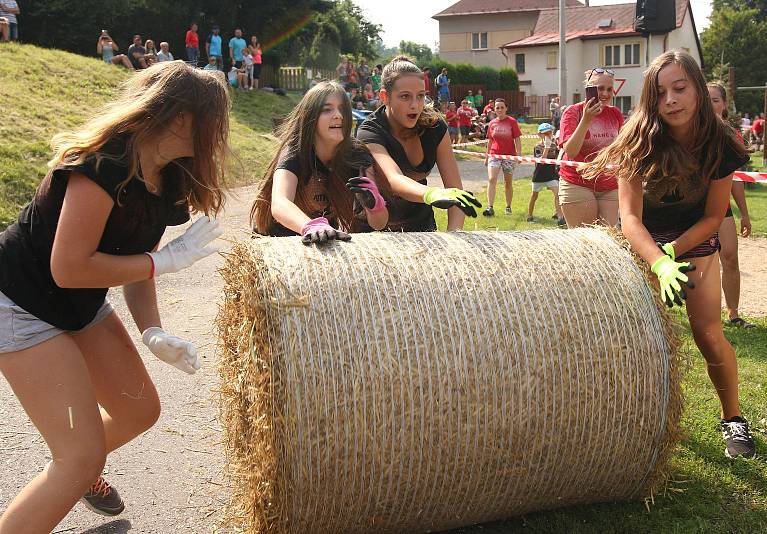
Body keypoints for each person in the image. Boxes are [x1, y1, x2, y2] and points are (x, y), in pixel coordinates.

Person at [0, 61, 231, 533]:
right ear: (184, 119)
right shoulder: (104, 164)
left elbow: (137, 262)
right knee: (81, 457)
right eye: (215, 121)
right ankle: (76, 468)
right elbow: (69, 268)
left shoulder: (167, 178)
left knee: (138, 409)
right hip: (18, 304)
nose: (219, 135)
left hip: (78, 305)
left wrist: (152, 330)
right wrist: (163, 262)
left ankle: (75, 470)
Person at [587, 49, 754, 459]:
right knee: (625, 338)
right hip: (643, 239)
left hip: (693, 237)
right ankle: (621, 419)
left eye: (680, 89)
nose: (670, 101)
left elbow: (715, 216)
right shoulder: (637, 138)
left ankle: (733, 419)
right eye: (660, 93)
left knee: (708, 333)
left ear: (698, 88)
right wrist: (658, 261)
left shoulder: (722, 142)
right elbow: (628, 217)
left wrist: (673, 253)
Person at [251, 81, 388, 241]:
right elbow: (280, 203)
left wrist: (375, 205)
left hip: (324, 243)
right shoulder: (295, 151)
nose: (338, 115)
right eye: (327, 110)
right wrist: (311, 226)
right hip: (278, 243)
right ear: (311, 116)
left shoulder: (357, 155)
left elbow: (379, 224)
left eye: (343, 109)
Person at [357, 56, 481, 232]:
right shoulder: (369, 131)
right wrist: (431, 193)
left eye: (421, 96)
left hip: (419, 223)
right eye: (405, 97)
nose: (415, 105)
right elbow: (394, 179)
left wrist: (455, 240)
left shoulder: (435, 127)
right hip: (374, 229)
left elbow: (454, 190)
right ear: (385, 96)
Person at [708, 82, 755, 329]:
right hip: (693, 208)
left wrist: (745, 215)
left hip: (722, 208)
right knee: (700, 262)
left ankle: (733, 313)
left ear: (724, 105)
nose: (710, 104)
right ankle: (703, 311)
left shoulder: (732, 135)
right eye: (706, 99)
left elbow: (735, 179)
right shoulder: (689, 130)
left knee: (729, 257)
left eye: (715, 100)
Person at [558, 68, 624, 228]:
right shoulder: (573, 112)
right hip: (577, 183)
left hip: (609, 186)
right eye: (600, 88)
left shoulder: (615, 113)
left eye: (609, 89)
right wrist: (586, 120)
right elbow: (571, 151)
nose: (606, 94)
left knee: (609, 241)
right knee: (585, 243)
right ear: (589, 89)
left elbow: (622, 149)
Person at [482, 98, 521, 216]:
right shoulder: (492, 123)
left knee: (507, 182)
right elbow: (490, 140)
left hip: (509, 156)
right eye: (497, 107)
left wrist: (518, 155)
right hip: (494, 154)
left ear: (506, 108)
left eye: (502, 107)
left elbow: (517, 139)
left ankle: (508, 206)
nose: (499, 109)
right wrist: (487, 156)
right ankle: (490, 207)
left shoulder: (512, 122)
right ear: (494, 109)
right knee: (491, 179)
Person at [526, 122, 563, 225]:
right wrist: (546, 147)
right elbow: (541, 161)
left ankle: (560, 217)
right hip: (539, 175)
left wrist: (557, 146)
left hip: (551, 175)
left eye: (549, 133)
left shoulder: (554, 145)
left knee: (557, 194)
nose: (547, 136)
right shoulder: (537, 146)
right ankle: (529, 215)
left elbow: (559, 157)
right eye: (545, 134)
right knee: (534, 196)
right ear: (539, 134)